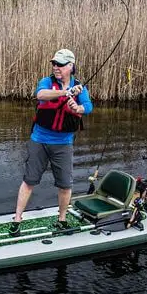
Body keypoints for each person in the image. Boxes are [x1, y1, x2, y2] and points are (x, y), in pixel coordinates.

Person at [9, 49, 93, 237]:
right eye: (54, 64)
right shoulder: (47, 82)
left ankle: (61, 219)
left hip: (63, 143)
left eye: (60, 64)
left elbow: (88, 106)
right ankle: (17, 219)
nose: (56, 67)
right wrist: (66, 92)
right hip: (39, 140)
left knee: (65, 184)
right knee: (29, 181)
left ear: (70, 66)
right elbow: (41, 95)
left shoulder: (80, 87)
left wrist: (78, 106)